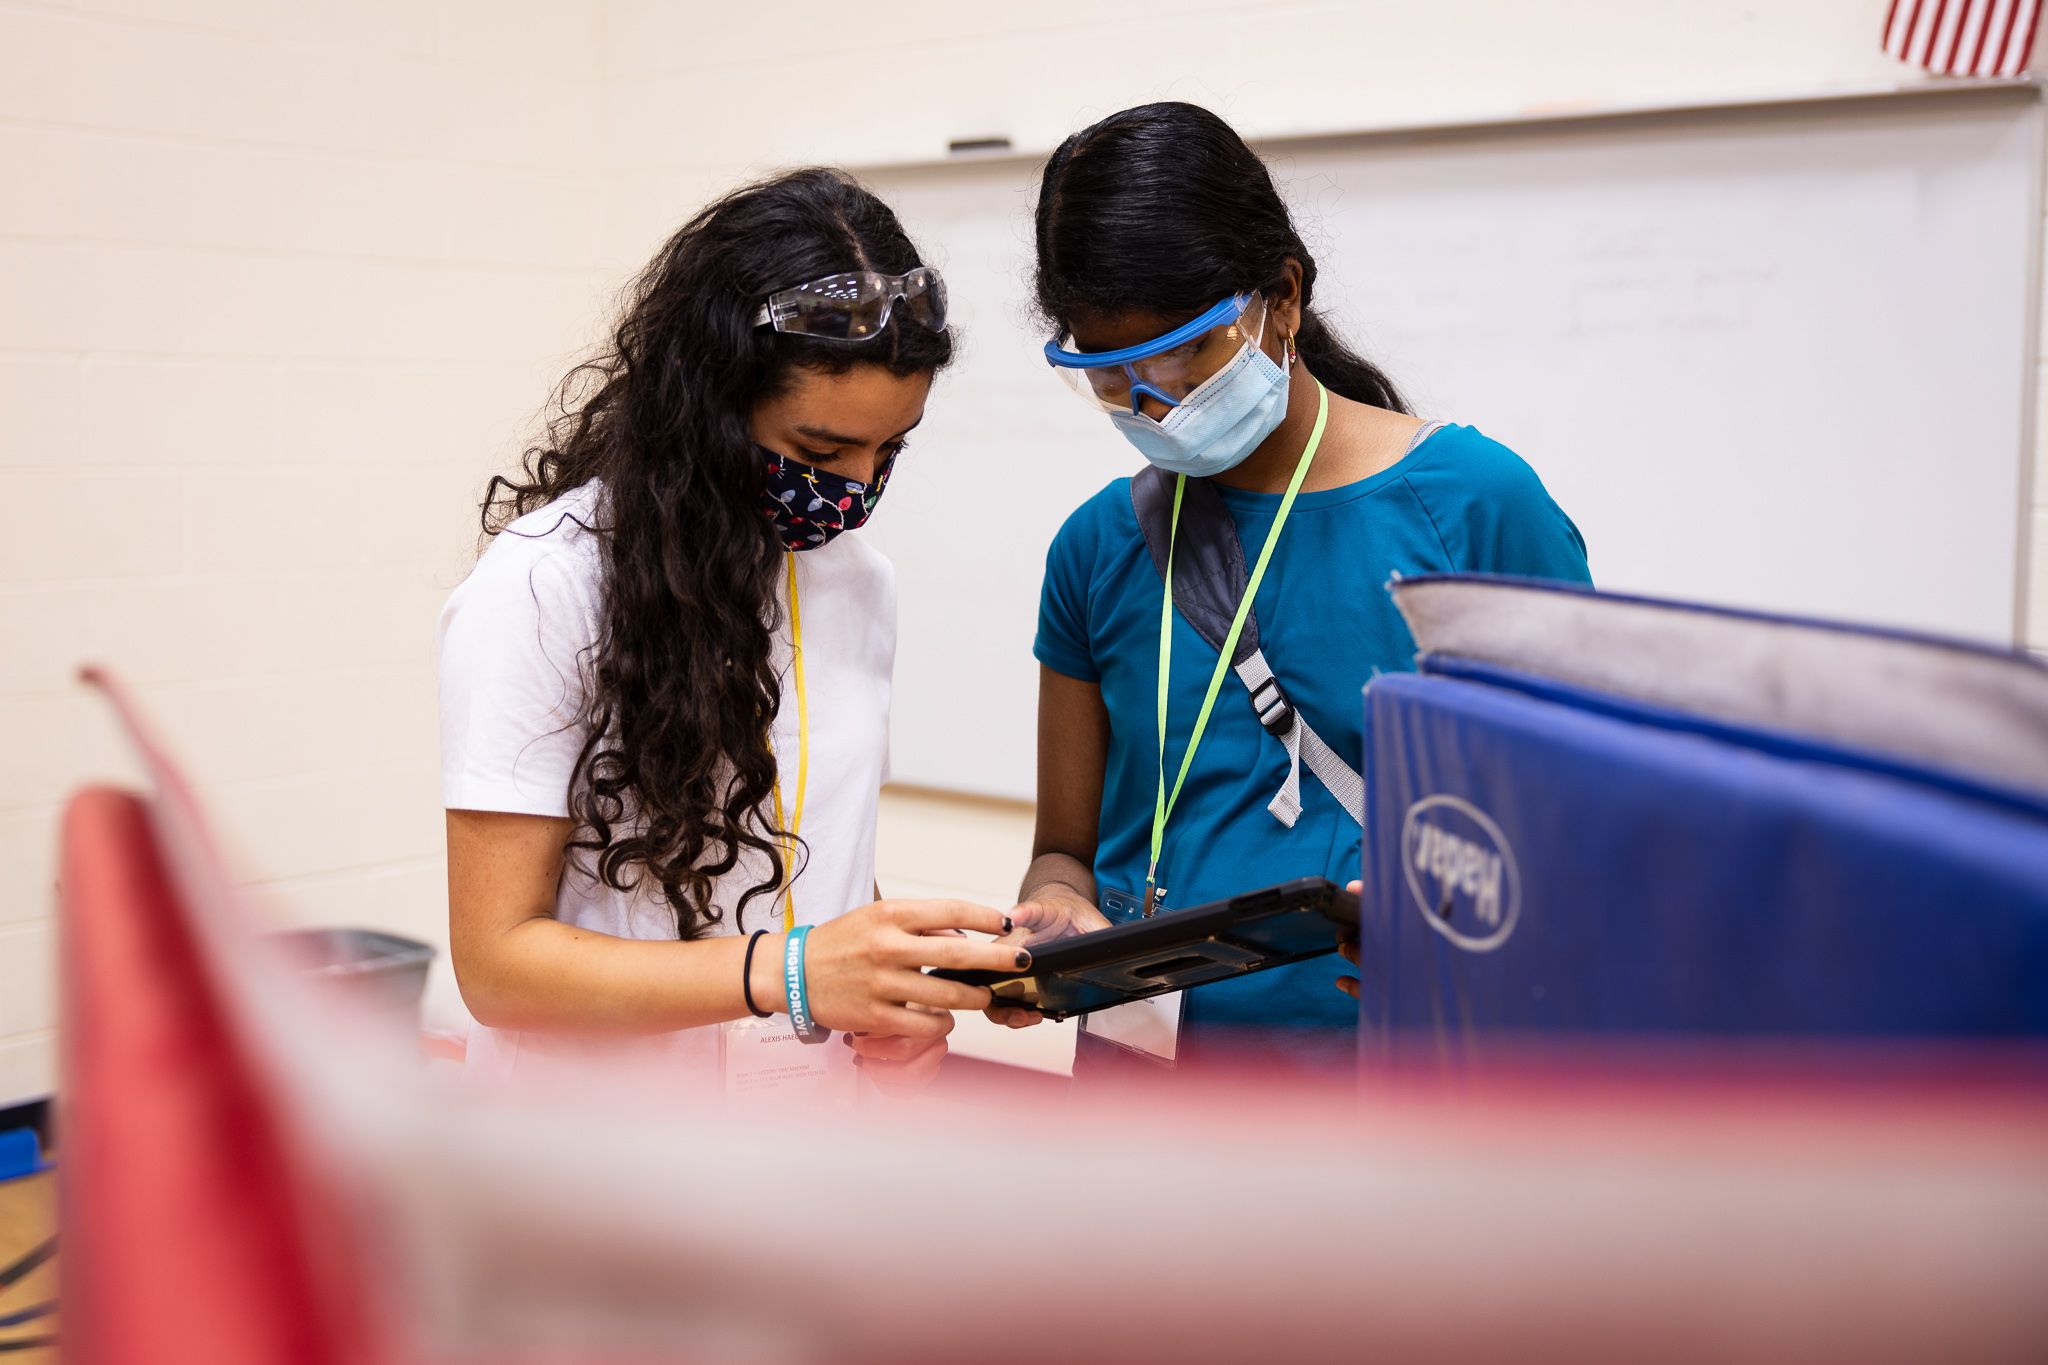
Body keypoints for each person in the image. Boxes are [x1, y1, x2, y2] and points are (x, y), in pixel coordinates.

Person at [1000, 103, 1592, 1076]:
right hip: (1141, 1094)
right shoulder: (1096, 547)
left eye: (1182, 353)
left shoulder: (1472, 508)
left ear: (1280, 297)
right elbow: (1063, 848)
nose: (1152, 401)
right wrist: (1056, 906)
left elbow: (1582, 836)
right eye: (1107, 374)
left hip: (1390, 1086)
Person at [437, 168, 1025, 1096]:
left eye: (890, 451)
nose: (857, 490)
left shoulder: (860, 584)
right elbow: (499, 965)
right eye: (822, 453)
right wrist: (794, 973)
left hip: (806, 1142)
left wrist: (883, 981)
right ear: (707, 404)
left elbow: (815, 860)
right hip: (597, 1152)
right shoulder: (543, 585)